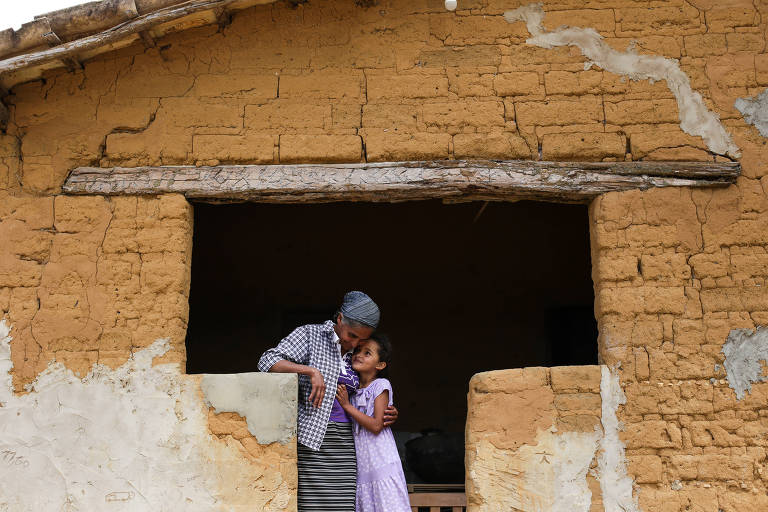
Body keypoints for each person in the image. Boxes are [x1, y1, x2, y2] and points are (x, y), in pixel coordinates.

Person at [258, 291, 398, 512]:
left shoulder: (357, 353)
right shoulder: (309, 335)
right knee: (312, 506)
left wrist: (383, 410)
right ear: (340, 319)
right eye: (351, 335)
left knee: (344, 506)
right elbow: (268, 360)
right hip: (313, 440)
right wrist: (310, 371)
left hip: (349, 445)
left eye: (361, 340)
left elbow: (368, 387)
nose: (353, 344)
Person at [335, 333, 411, 512]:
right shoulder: (353, 391)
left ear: (380, 364)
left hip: (381, 461)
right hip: (364, 465)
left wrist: (346, 405)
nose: (359, 355)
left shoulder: (380, 385)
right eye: (358, 350)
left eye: (367, 353)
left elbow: (377, 426)